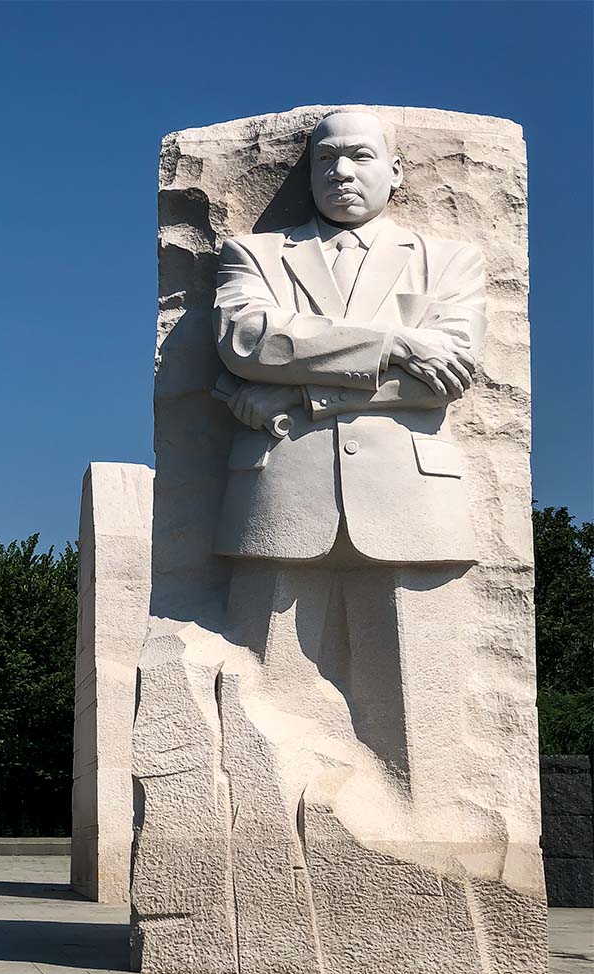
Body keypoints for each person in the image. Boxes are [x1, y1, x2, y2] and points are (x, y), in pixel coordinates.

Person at [211, 109, 487, 805]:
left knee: (421, 729)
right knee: (264, 706)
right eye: (324, 159)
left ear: (396, 171)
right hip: (281, 497)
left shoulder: (449, 259)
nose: (339, 172)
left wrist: (309, 395)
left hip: (411, 503)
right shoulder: (257, 255)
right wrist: (392, 344)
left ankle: (431, 860)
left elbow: (446, 375)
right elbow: (247, 341)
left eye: (359, 157)